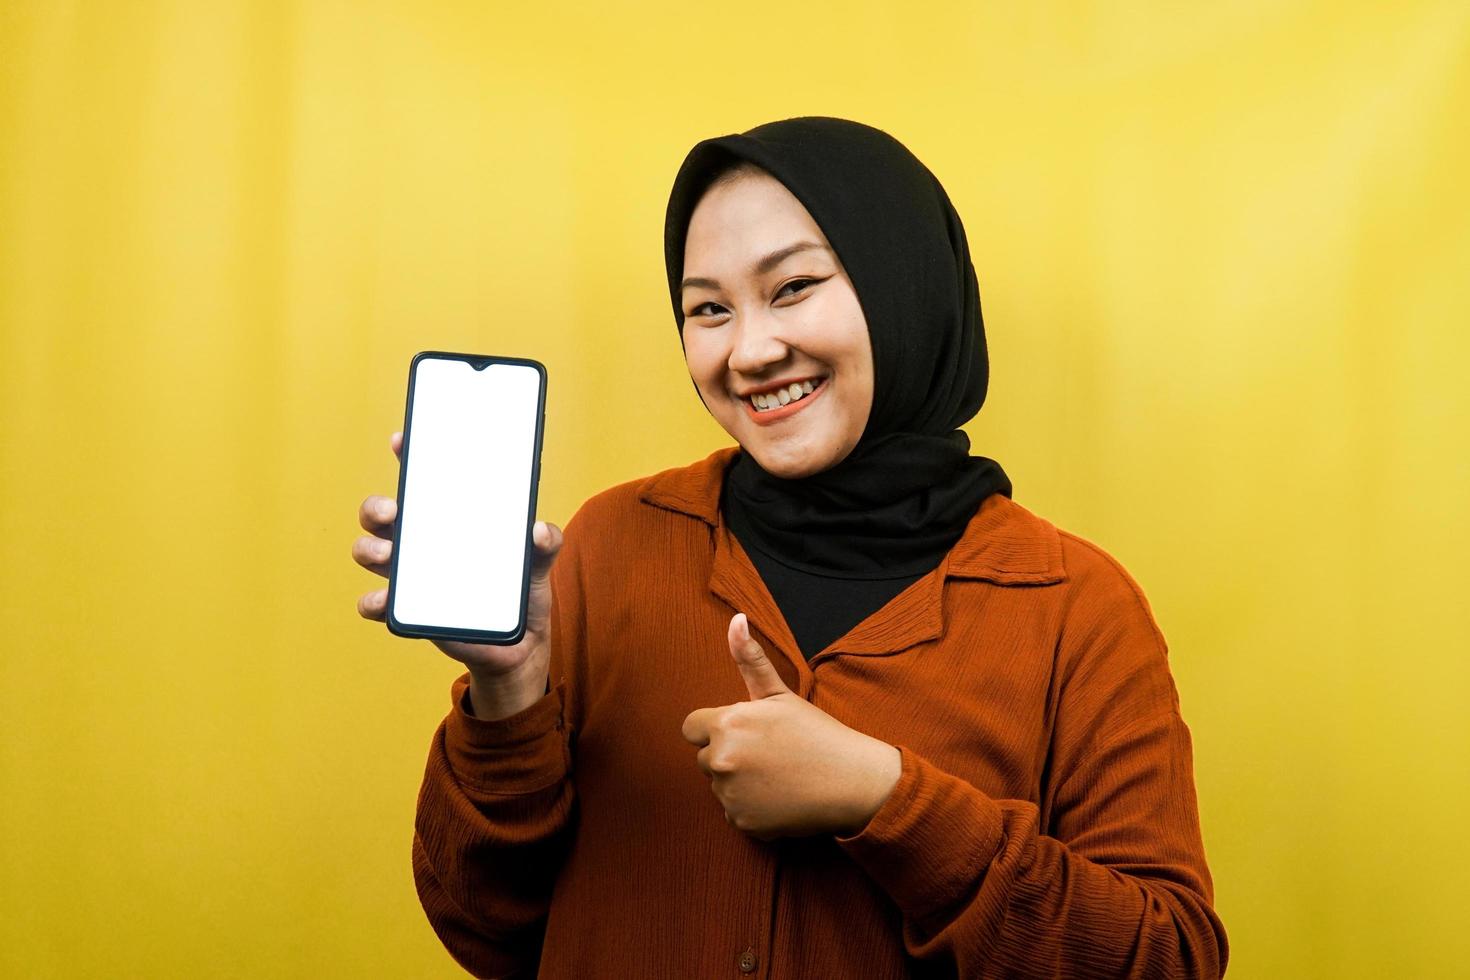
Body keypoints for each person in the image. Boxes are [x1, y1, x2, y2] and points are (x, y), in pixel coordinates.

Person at [353, 116, 1229, 979]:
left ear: (904, 286)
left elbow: (1166, 959)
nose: (751, 350)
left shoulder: (1074, 603)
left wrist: (884, 797)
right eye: (708, 309)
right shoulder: (609, 546)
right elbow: (485, 929)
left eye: (794, 288)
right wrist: (507, 698)